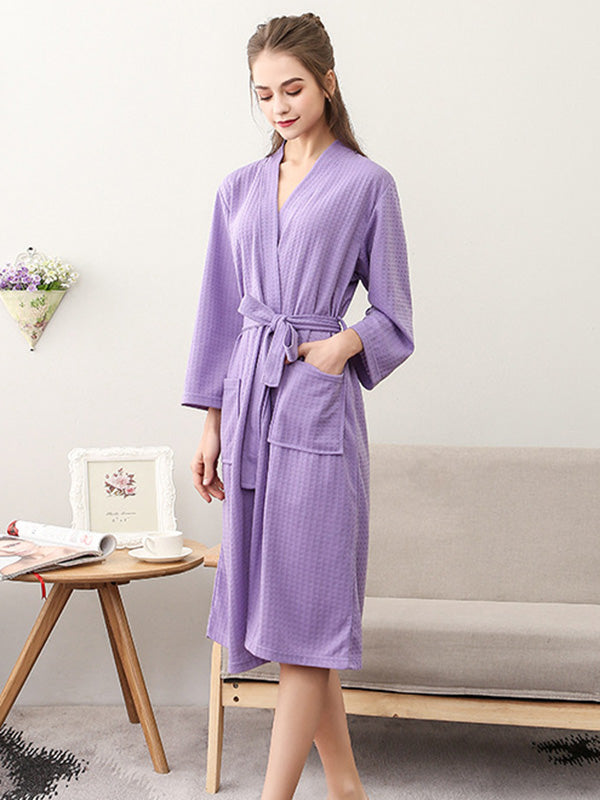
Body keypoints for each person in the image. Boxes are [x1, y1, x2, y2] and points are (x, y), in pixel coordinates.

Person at [181, 12, 414, 800]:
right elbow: (219, 314)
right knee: (287, 614)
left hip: (317, 409)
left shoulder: (366, 184)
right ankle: (345, 785)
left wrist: (343, 344)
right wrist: (212, 423)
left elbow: (394, 315)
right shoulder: (239, 189)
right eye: (264, 94)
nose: (278, 106)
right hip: (249, 403)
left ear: (327, 84)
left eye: (293, 89)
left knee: (308, 611)